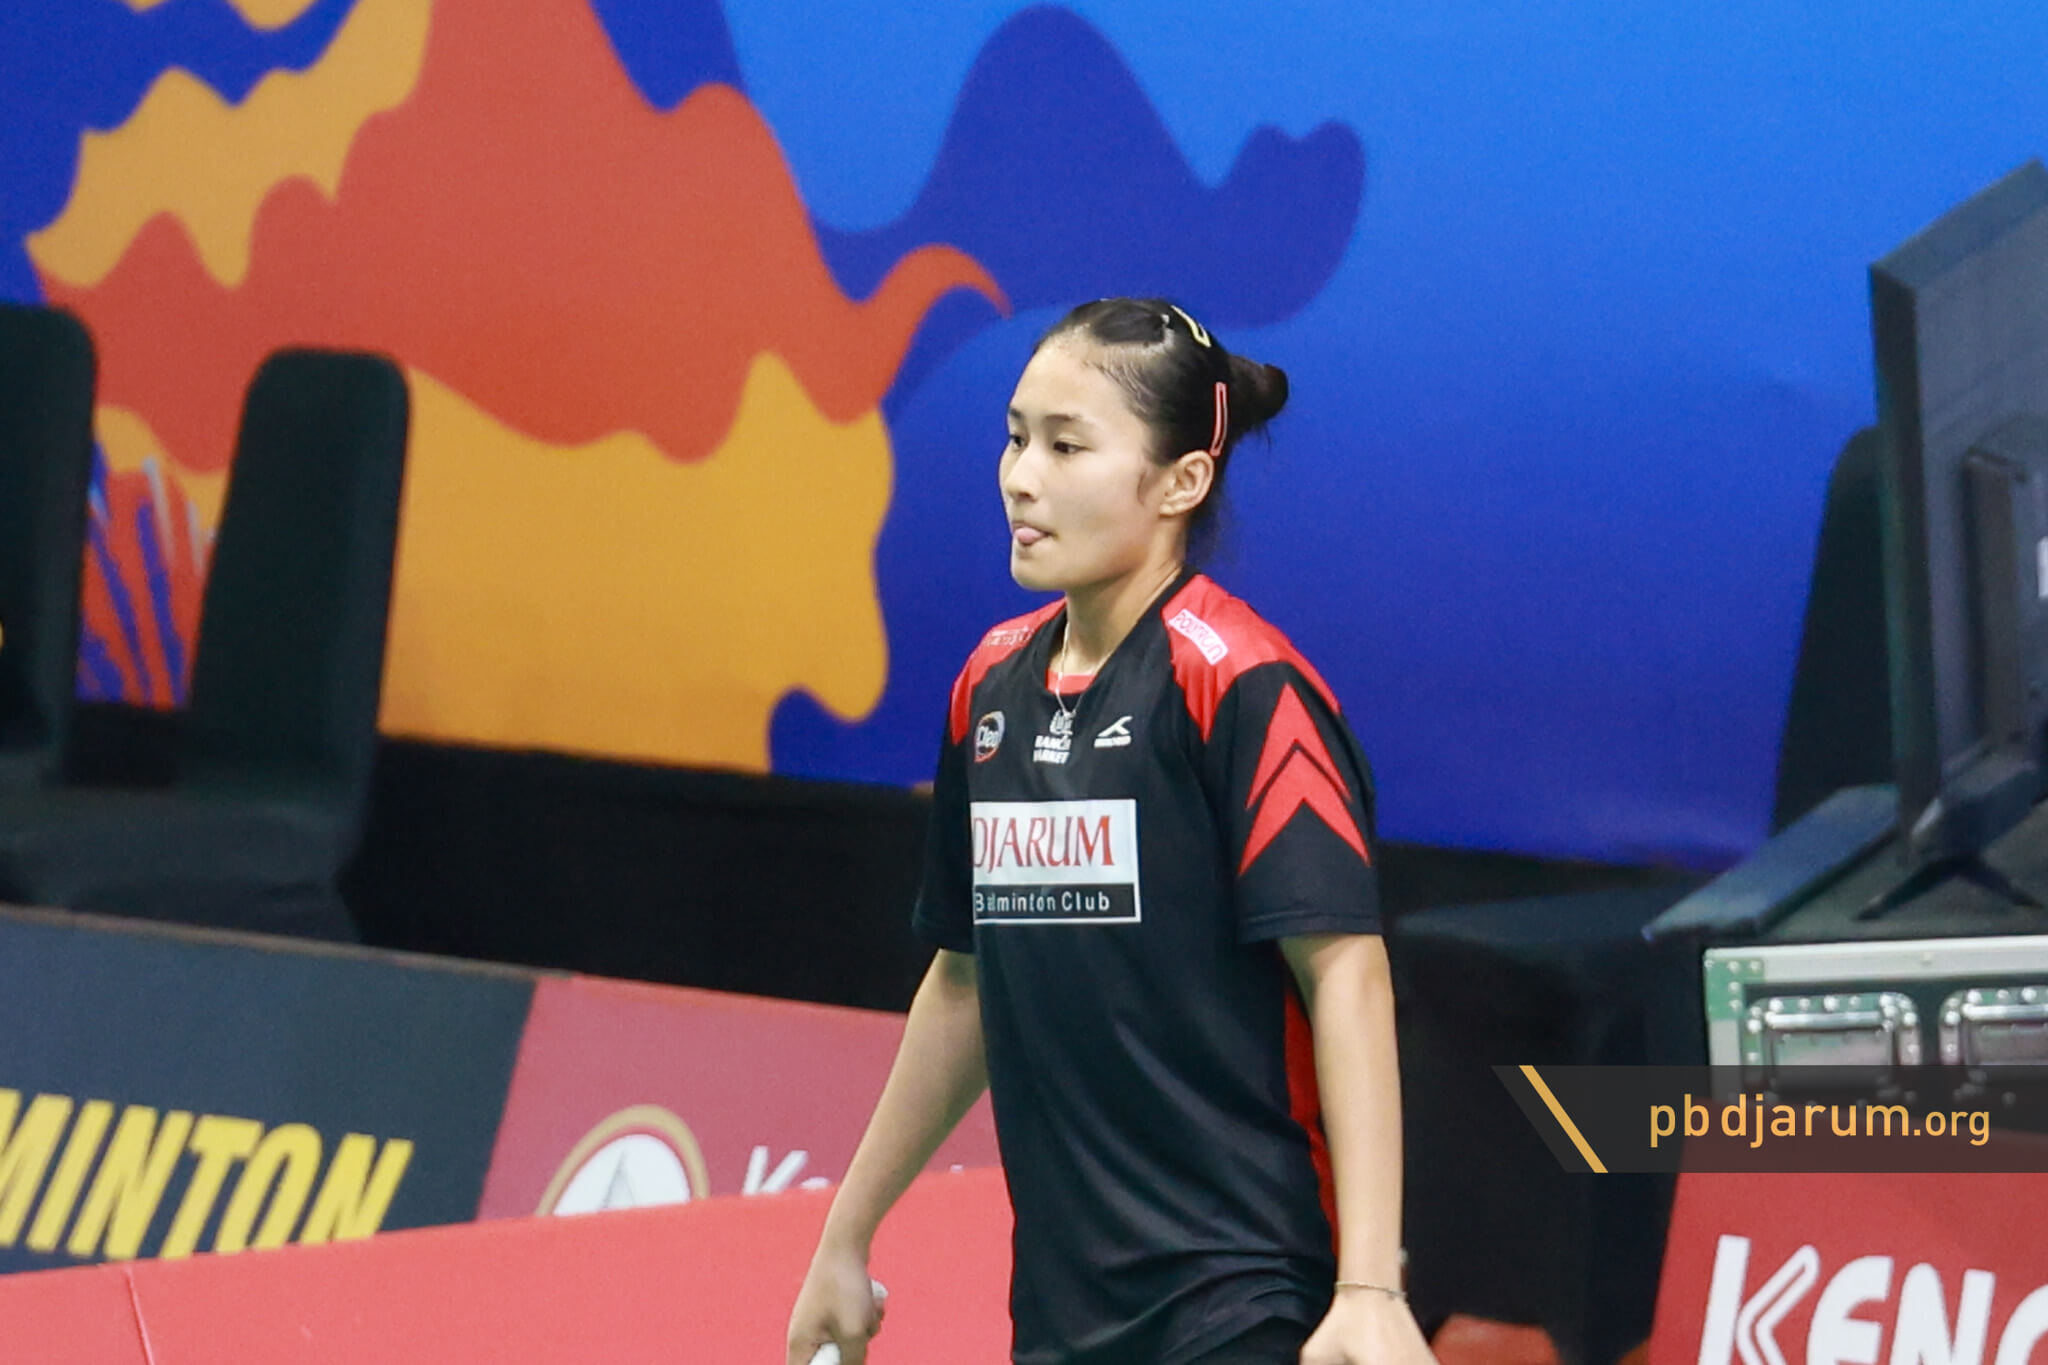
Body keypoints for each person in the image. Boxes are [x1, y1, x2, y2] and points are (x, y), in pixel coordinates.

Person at [785, 298, 1432, 1365]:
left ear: (1181, 482)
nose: (1020, 476)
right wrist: (845, 1235)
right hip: (1063, 1303)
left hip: (1244, 1293)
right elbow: (965, 980)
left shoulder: (1239, 686)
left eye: (1066, 445)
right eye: (1015, 437)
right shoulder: (991, 684)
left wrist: (1368, 1286)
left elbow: (1347, 975)